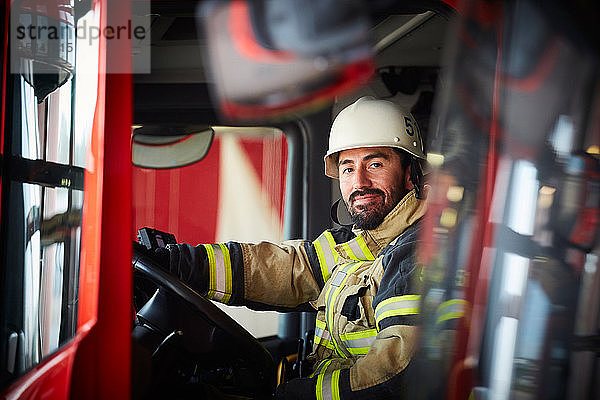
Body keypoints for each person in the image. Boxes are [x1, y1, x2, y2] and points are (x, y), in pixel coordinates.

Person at [161, 96, 428, 399]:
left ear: (410, 173)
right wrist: (183, 263)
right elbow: (287, 268)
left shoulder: (420, 252)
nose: (359, 182)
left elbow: (400, 373)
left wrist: (302, 395)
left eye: (375, 164)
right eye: (348, 168)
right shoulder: (363, 242)